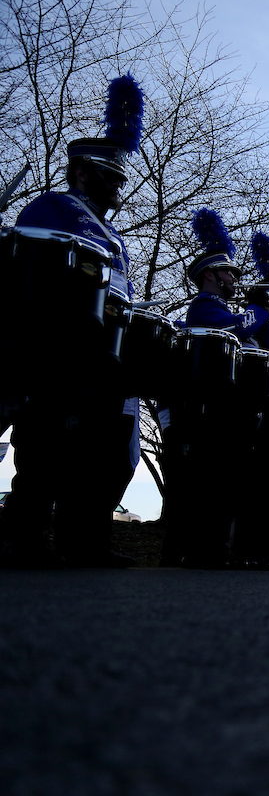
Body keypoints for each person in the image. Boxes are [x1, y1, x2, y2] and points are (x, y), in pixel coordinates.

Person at [0, 76, 145, 569]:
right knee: (44, 440)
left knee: (95, 449)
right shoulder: (52, 205)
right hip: (56, 339)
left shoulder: (115, 234)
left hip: (104, 348)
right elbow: (27, 268)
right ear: (83, 172)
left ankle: (83, 539)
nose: (118, 186)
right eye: (111, 176)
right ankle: (23, 538)